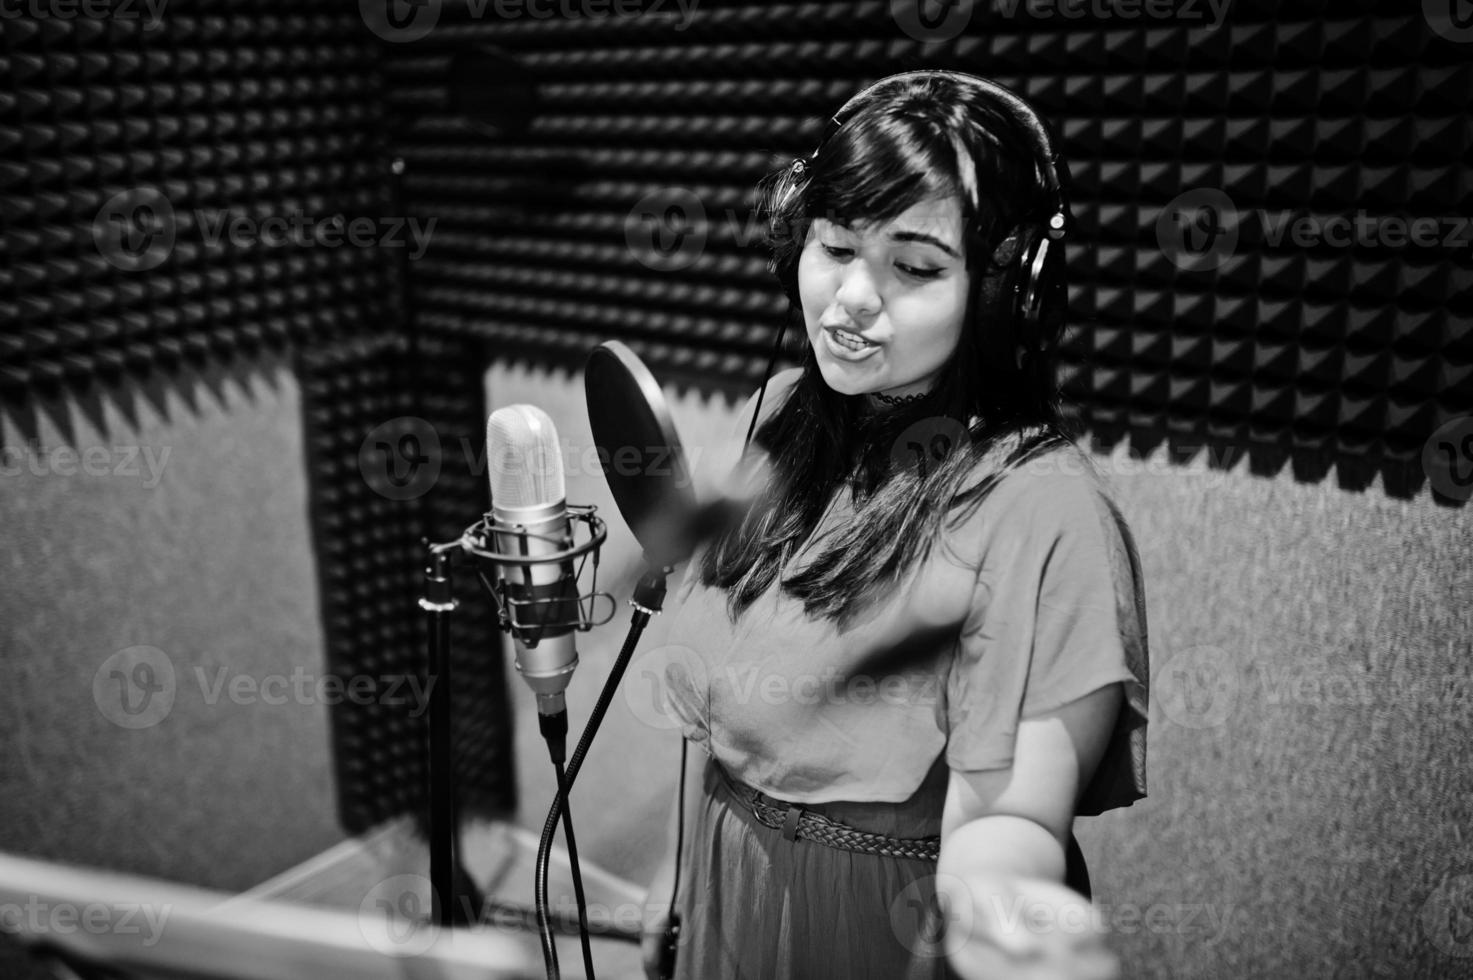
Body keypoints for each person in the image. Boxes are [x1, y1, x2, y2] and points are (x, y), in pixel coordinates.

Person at [638, 70, 1149, 980]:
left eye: (913, 267)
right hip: (727, 892)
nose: (851, 300)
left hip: (884, 930)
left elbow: (1008, 825)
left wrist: (1014, 935)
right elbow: (716, 715)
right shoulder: (785, 417)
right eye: (835, 247)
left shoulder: (1042, 513)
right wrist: (674, 872)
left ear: (1005, 298)